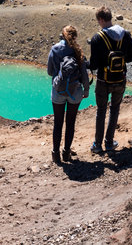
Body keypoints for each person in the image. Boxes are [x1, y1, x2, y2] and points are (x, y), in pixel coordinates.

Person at [89, 6, 132, 154]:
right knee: (115, 109)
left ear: (102, 20)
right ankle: (109, 143)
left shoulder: (97, 38)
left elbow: (94, 64)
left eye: (98, 21)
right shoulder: (125, 34)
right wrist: (121, 60)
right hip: (120, 78)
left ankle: (97, 145)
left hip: (104, 80)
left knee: (101, 111)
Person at [47, 26, 90, 163]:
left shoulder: (55, 49)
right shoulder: (78, 50)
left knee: (58, 123)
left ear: (62, 35)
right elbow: (84, 73)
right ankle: (66, 152)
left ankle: (55, 154)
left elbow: (49, 71)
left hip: (58, 91)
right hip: (75, 92)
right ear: (75, 36)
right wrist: (86, 90)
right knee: (70, 123)